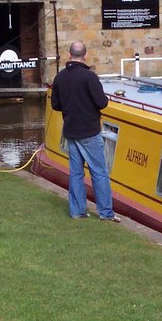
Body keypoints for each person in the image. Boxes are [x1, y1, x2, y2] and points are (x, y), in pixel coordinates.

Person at [50, 41, 120, 222]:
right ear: (85, 56)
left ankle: (77, 211)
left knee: (76, 173)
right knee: (99, 172)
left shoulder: (60, 78)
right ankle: (106, 213)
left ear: (69, 55)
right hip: (89, 131)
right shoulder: (89, 77)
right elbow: (102, 103)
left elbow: (55, 105)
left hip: (71, 132)